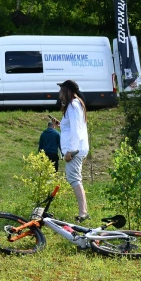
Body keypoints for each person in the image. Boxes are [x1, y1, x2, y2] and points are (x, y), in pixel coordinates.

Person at [55, 80, 90, 222]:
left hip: (75, 150)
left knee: (74, 179)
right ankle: (83, 211)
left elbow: (76, 130)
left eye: (61, 89)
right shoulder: (74, 105)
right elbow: (71, 127)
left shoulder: (73, 105)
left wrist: (71, 151)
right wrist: (61, 124)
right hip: (74, 148)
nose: (59, 93)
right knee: (74, 178)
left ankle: (83, 212)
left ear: (67, 90)